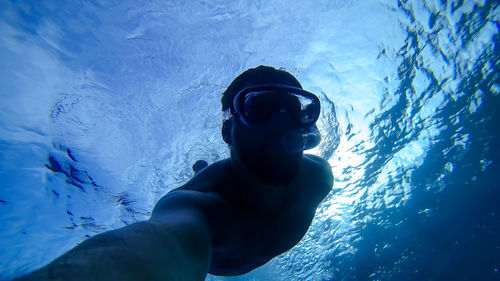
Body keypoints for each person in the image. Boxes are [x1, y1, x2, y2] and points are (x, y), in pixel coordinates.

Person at [14, 65, 333, 281]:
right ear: (227, 130)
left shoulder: (319, 176)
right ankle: (201, 168)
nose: (281, 122)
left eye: (295, 109)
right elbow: (158, 244)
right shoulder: (196, 207)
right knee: (204, 171)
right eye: (259, 107)